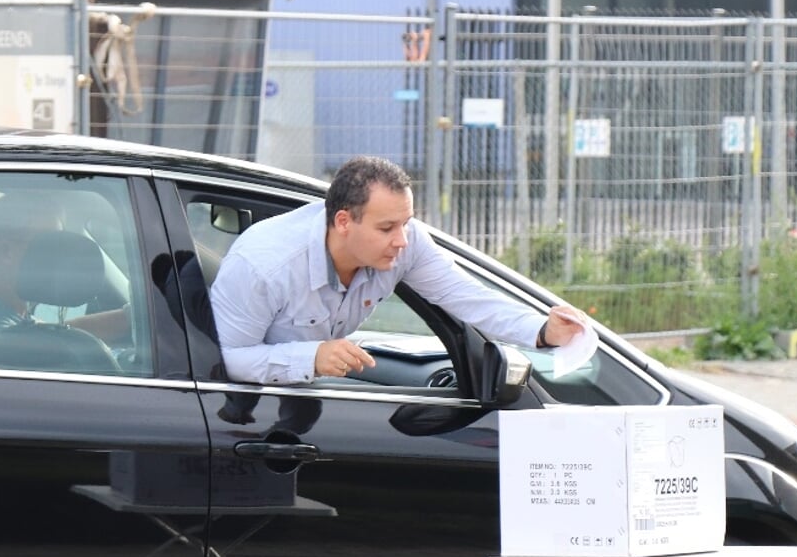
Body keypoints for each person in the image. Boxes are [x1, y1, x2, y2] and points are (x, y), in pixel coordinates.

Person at [208, 155, 588, 385]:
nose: (402, 240)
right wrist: (311, 357)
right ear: (343, 222)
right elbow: (224, 359)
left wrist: (543, 330)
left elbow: (466, 297)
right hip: (240, 417)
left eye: (406, 223)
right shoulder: (265, 266)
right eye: (387, 228)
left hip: (308, 404)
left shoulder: (406, 244)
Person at [0, 192, 130, 346]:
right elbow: (42, 344)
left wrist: (130, 318)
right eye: (49, 243)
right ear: (7, 252)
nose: (58, 254)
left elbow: (46, 332)